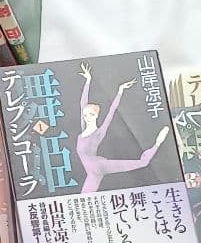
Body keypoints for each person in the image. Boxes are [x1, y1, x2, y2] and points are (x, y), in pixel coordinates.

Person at [53, 61, 169, 194]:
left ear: (96, 115)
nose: (87, 117)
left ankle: (158, 142)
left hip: (99, 166)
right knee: (85, 196)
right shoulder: (83, 127)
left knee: (142, 163)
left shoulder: (98, 133)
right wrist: (88, 81)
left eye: (90, 114)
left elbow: (111, 111)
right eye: (85, 115)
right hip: (91, 172)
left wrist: (120, 91)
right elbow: (82, 103)